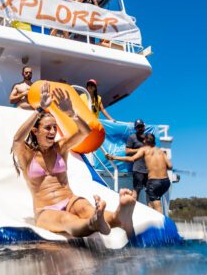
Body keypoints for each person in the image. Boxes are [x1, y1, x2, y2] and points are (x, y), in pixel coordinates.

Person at [11, 83, 136, 237]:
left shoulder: (60, 148)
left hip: (69, 199)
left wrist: (72, 114)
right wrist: (40, 110)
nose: (53, 131)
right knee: (65, 219)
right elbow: (17, 140)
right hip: (45, 210)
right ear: (35, 131)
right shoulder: (27, 155)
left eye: (55, 127)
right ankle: (93, 223)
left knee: (86, 208)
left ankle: (119, 217)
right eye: (47, 128)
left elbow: (85, 132)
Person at [106, 133, 172, 213]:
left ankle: (161, 225)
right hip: (166, 182)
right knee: (153, 202)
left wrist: (114, 157)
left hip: (155, 182)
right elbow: (170, 166)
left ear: (145, 141)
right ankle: (152, 220)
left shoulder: (144, 149)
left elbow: (132, 159)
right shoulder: (161, 151)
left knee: (157, 205)